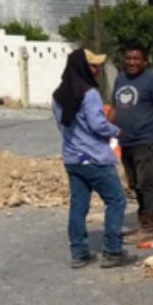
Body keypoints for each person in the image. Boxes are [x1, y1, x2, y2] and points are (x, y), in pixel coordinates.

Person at [52, 49, 134, 269]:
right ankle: (112, 251)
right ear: (82, 67)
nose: (97, 70)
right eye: (93, 66)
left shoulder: (58, 95)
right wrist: (117, 132)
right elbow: (98, 124)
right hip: (95, 158)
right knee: (117, 200)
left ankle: (79, 253)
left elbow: (62, 126)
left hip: (73, 159)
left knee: (79, 206)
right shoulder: (89, 94)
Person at [110, 42, 153, 244]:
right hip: (125, 142)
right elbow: (115, 108)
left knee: (147, 184)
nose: (132, 62)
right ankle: (142, 224)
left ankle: (149, 229)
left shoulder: (152, 80)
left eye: (136, 59)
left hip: (145, 140)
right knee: (135, 184)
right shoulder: (120, 79)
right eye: (128, 58)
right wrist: (104, 129)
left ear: (145, 60)